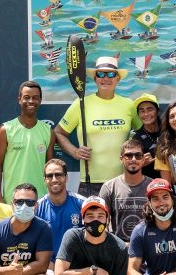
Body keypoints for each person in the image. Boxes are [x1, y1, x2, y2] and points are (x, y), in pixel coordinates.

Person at [54, 56, 140, 197]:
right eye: (100, 74)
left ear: (118, 79)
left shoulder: (129, 105)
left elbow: (143, 134)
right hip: (90, 183)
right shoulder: (81, 103)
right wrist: (75, 152)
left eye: (111, 74)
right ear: (95, 79)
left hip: (123, 181)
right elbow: (58, 133)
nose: (105, 78)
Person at [0, 80, 55, 202]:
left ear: (40, 100)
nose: (31, 101)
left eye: (35, 98)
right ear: (19, 100)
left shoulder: (48, 132)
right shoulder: (5, 130)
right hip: (12, 200)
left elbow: (50, 169)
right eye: (26, 97)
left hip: (40, 200)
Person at [98, 139, 153, 242]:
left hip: (148, 245)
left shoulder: (153, 186)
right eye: (128, 155)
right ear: (121, 159)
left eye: (138, 155)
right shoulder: (109, 187)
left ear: (143, 159)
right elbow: (101, 221)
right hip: (119, 246)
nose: (133, 159)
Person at [36, 158, 85, 259]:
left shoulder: (82, 204)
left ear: (66, 177)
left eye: (58, 175)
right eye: (50, 176)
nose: (54, 180)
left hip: (76, 265)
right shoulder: (37, 208)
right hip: (47, 265)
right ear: (45, 180)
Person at [132, 93, 162, 178]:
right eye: (142, 111)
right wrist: (141, 164)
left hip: (173, 183)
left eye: (150, 109)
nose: (146, 114)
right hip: (149, 184)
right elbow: (132, 168)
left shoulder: (168, 131)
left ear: (157, 111)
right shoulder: (136, 139)